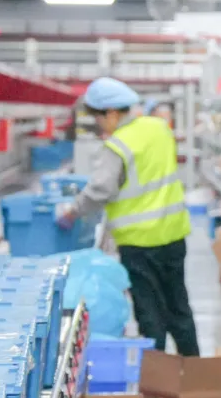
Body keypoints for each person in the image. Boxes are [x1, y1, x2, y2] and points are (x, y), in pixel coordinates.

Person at [57, 77, 199, 356]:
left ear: (112, 113)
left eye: (99, 118)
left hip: (139, 244)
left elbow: (101, 189)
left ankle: (156, 378)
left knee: (150, 315)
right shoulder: (159, 128)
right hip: (173, 235)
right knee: (178, 308)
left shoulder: (119, 145)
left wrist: (72, 211)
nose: (100, 125)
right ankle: (195, 373)